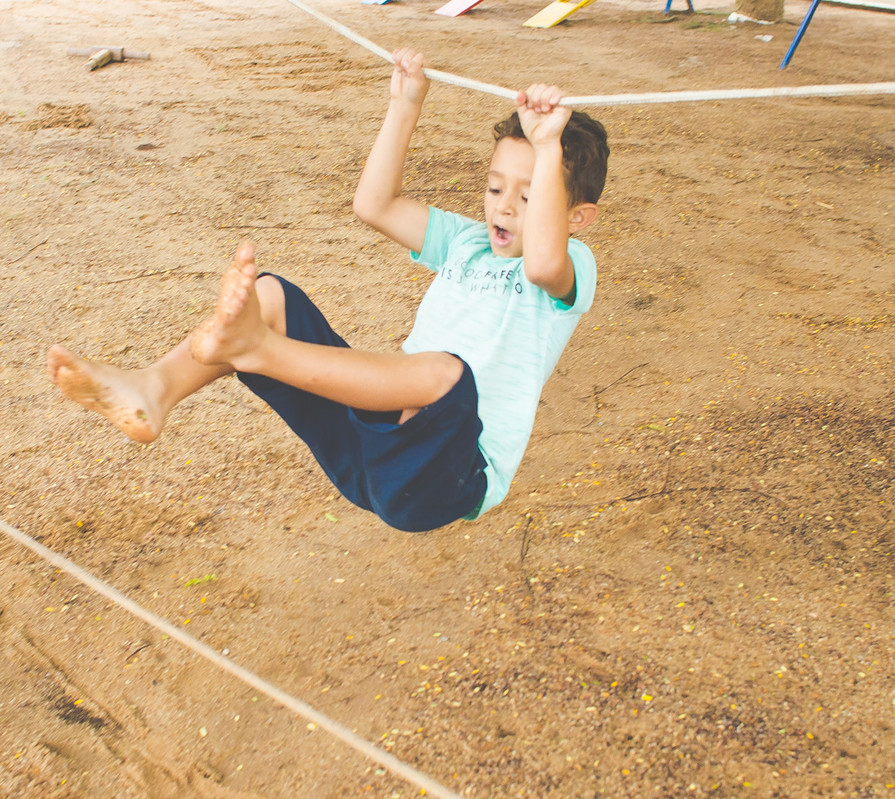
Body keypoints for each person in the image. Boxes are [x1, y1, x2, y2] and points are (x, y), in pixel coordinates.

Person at [45, 48, 609, 532]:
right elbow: (374, 205)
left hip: (446, 475)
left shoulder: (569, 267)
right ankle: (153, 388)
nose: (504, 207)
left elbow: (543, 263)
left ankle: (257, 350)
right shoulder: (467, 241)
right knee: (270, 296)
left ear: (577, 217)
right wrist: (405, 104)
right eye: (494, 188)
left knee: (445, 373)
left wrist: (549, 146)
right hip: (369, 448)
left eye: (529, 196)